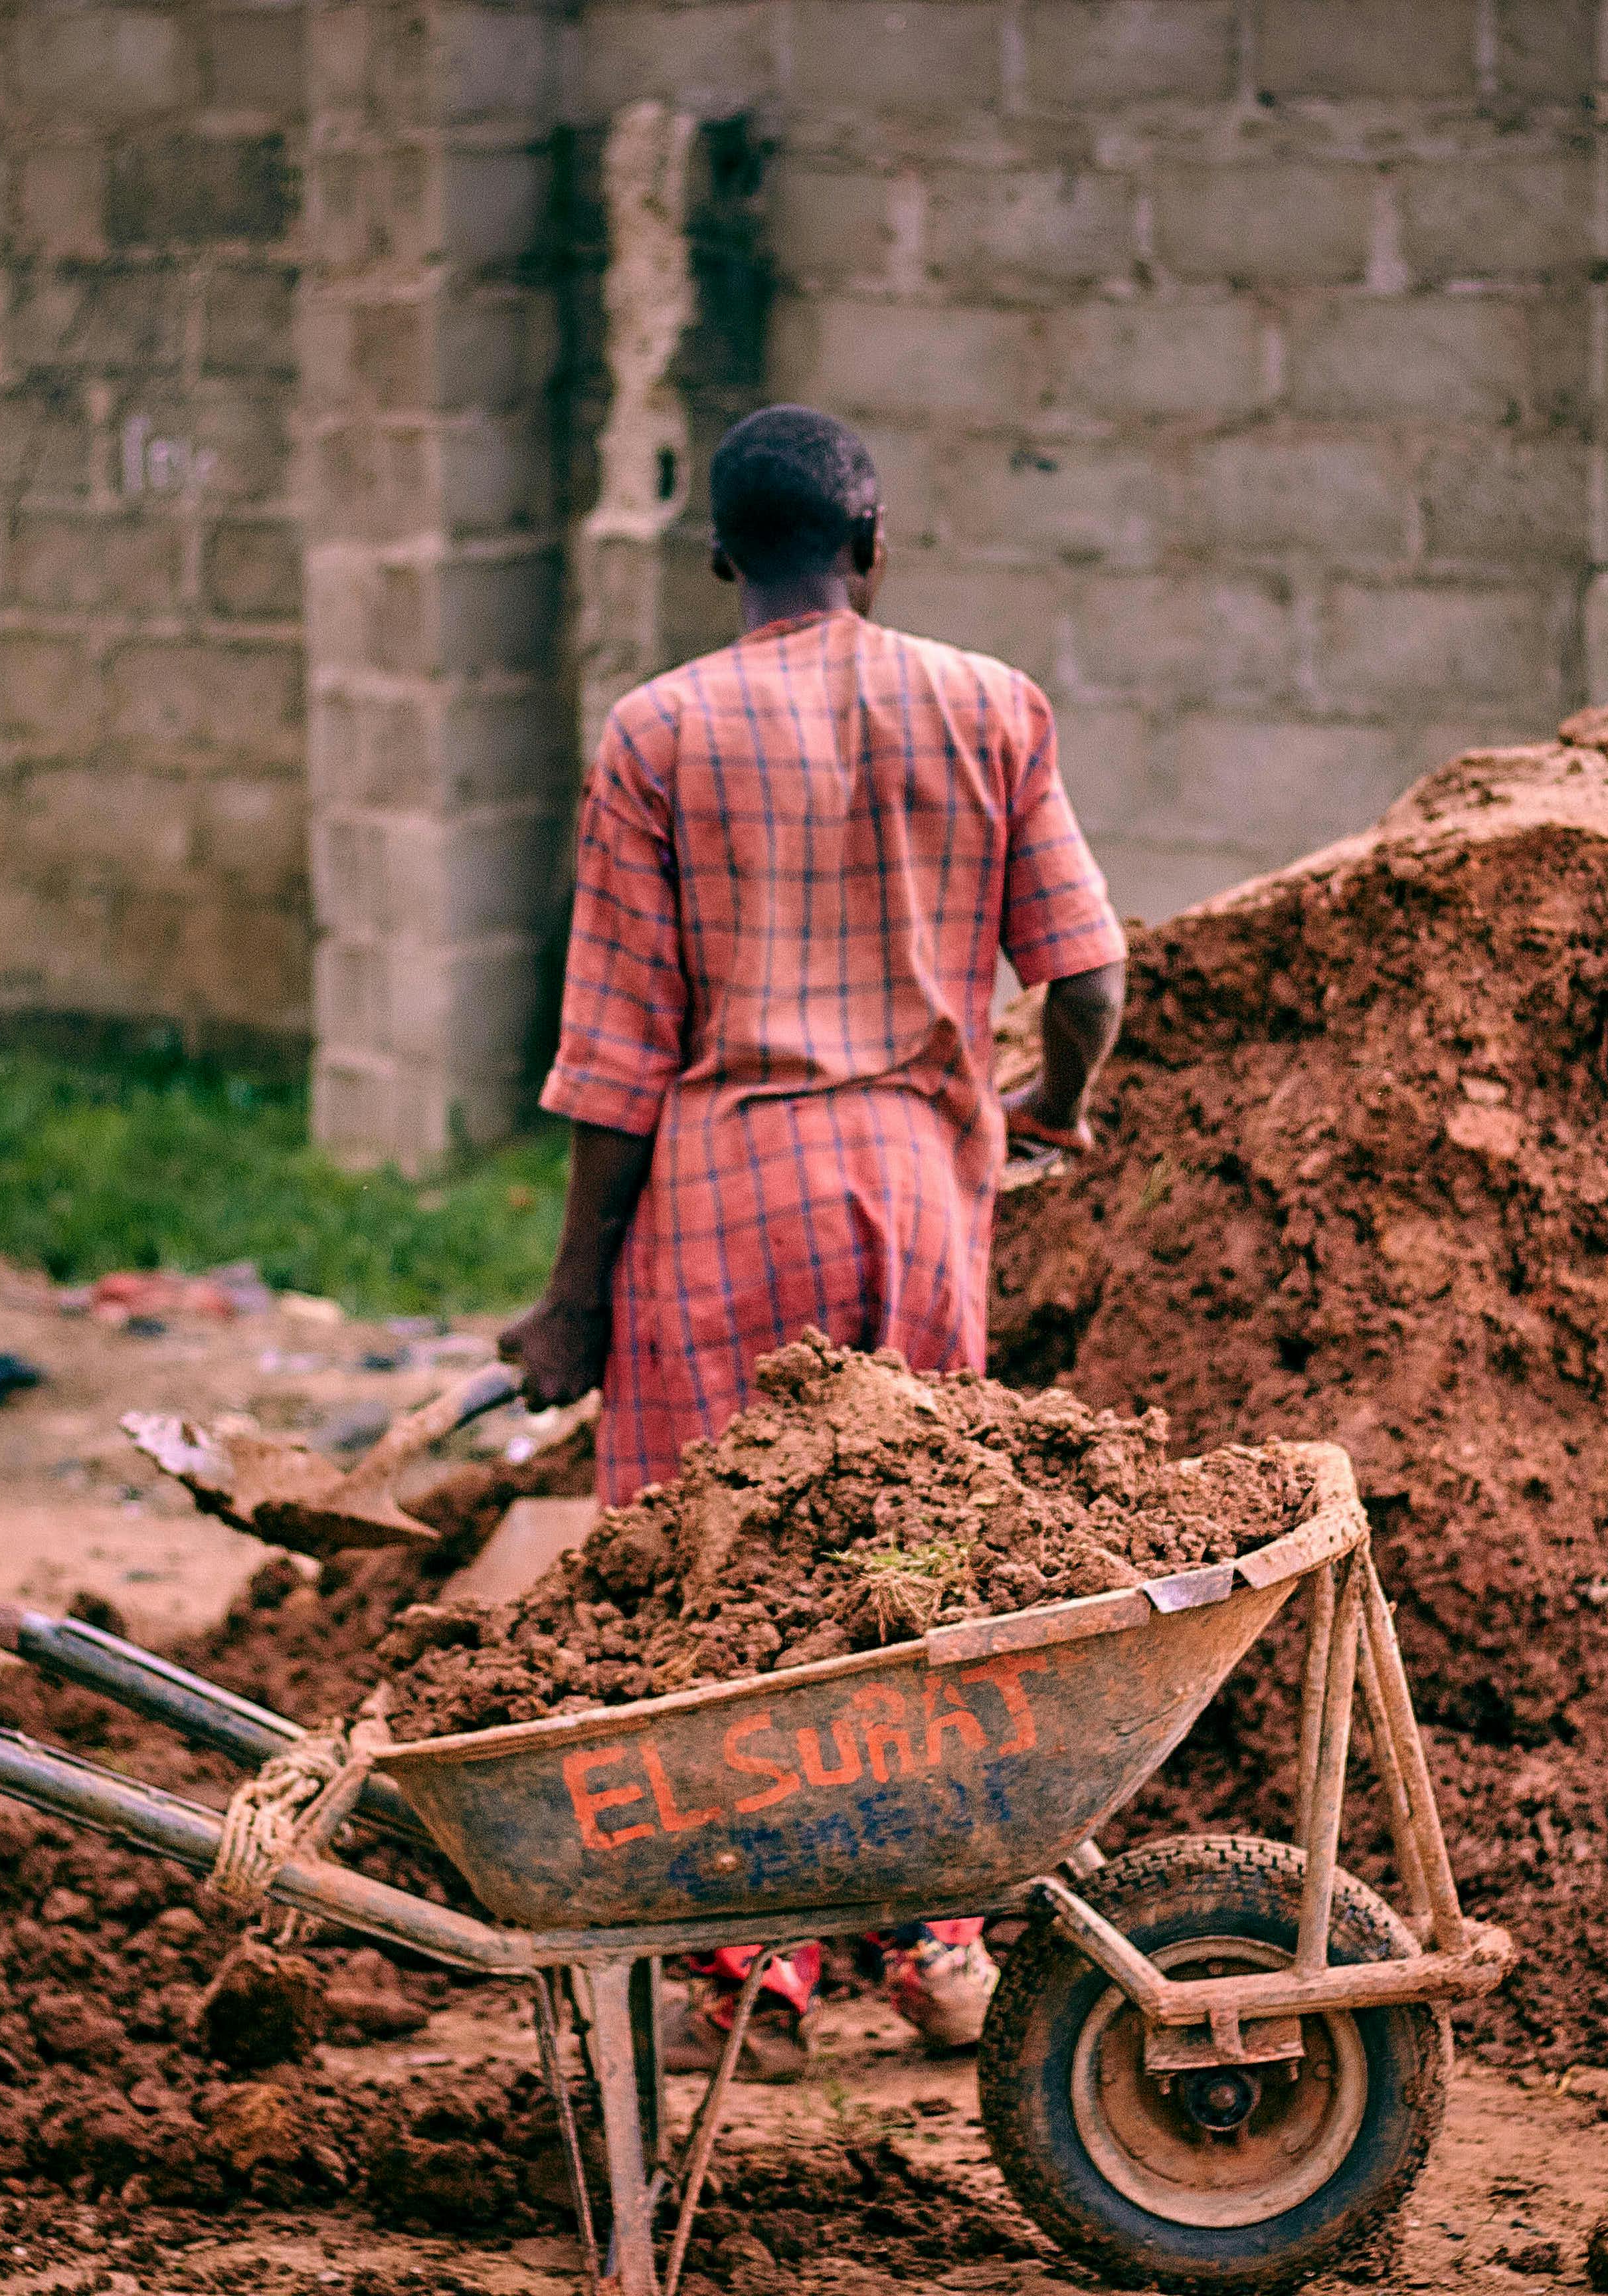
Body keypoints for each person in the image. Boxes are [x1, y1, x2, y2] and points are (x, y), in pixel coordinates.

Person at [500, 404, 1130, 2073]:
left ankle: (748, 1975)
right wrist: (1054, 1110)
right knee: (907, 1570)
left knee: (716, 1597)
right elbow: (1091, 974)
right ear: (871, 545)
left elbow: (617, 1058)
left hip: (719, 1206)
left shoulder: (658, 735)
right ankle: (934, 1949)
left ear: (721, 559)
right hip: (920, 1199)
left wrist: (573, 1303)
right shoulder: (989, 705)